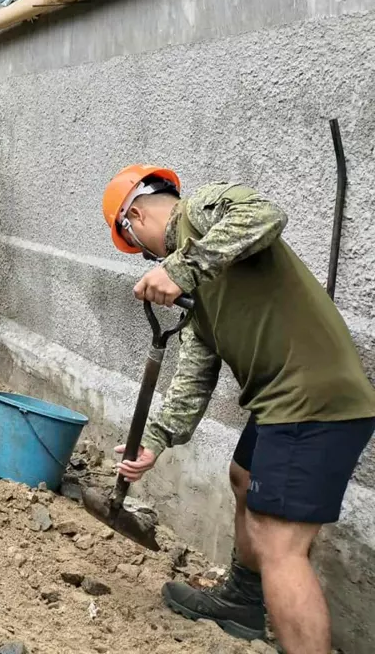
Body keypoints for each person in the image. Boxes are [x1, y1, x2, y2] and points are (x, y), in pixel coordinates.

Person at [103, 167, 375, 652]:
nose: (150, 258)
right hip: (280, 400)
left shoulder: (201, 211)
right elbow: (195, 369)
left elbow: (265, 214)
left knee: (280, 545)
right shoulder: (197, 291)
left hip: (311, 398)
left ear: (137, 216)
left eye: (138, 247)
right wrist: (158, 438)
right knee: (243, 476)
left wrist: (181, 266)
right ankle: (244, 602)